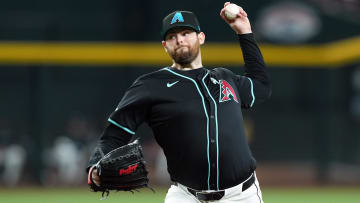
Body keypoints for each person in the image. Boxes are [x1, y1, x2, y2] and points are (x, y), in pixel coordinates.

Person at [87, 2, 271, 203]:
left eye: (185, 33)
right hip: (186, 196)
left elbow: (261, 86)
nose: (179, 40)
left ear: (200, 37)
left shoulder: (226, 78)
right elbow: (114, 134)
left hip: (242, 195)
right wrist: (96, 164)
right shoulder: (150, 85)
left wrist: (245, 32)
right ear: (165, 46)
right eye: (172, 36)